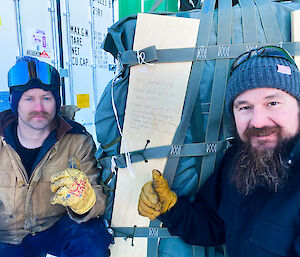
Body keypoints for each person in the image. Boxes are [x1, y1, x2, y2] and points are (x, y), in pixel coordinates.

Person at [138, 46, 300, 257]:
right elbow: (215, 224)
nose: (258, 122)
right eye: (244, 107)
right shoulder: (240, 160)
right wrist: (171, 208)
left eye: (273, 103)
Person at [0, 56, 112, 257]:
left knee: (93, 238)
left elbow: (100, 194)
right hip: (7, 235)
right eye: (28, 99)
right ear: (14, 102)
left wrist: (87, 202)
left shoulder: (77, 139)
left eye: (46, 98)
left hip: (53, 227)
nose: (39, 108)